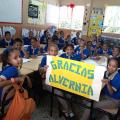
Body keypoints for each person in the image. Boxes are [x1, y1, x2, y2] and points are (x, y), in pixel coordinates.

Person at [39, 44, 76, 120]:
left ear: (57, 52)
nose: (53, 52)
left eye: (55, 51)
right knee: (59, 93)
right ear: (48, 51)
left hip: (57, 81)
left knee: (68, 92)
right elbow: (40, 70)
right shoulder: (45, 58)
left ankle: (64, 110)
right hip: (46, 82)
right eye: (51, 51)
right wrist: (43, 69)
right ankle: (69, 111)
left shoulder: (59, 59)